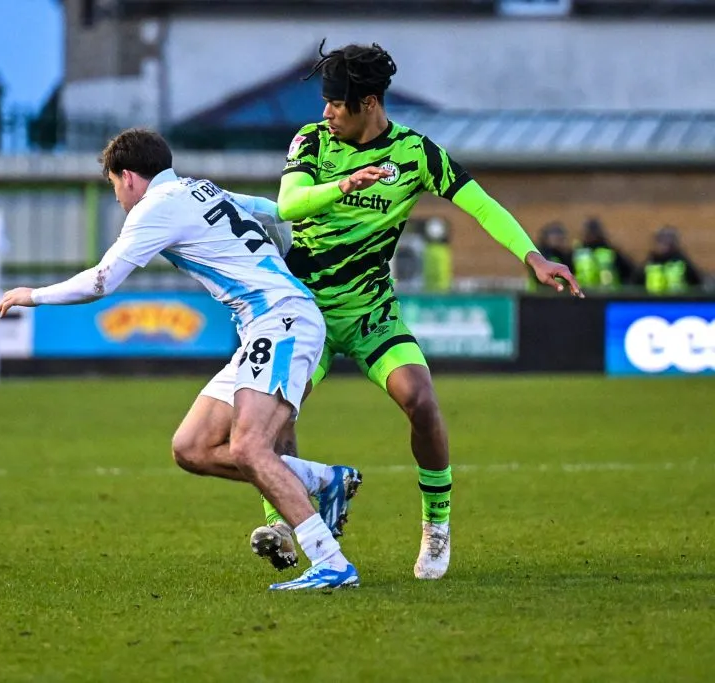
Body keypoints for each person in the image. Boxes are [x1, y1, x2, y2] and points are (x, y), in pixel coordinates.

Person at [248, 40, 583, 581]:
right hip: (303, 311)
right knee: (276, 416)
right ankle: (286, 523)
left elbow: (481, 204)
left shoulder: (415, 154)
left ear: (370, 102)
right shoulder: (311, 142)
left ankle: (437, 525)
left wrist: (533, 256)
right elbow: (289, 204)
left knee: (421, 401)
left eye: (337, 103)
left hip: (372, 313)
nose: (326, 112)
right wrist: (345, 183)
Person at [0, 128, 362, 590]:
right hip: (266, 324)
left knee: (249, 447)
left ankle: (331, 561)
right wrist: (333, 197)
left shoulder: (155, 207)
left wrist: (34, 295)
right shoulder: (198, 187)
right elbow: (269, 209)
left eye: (112, 186)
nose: (118, 197)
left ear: (128, 177)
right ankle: (323, 480)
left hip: (280, 319)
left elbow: (101, 281)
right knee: (192, 447)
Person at [572, 218, 636, 291]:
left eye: (593, 232)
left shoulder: (611, 251)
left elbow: (628, 272)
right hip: (582, 296)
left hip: (607, 297)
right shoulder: (577, 252)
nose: (590, 235)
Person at [637, 226, 705, 294]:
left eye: (666, 242)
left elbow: (697, 284)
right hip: (652, 303)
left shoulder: (682, 263)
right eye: (660, 241)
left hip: (678, 302)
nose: (662, 246)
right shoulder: (649, 264)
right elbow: (636, 285)